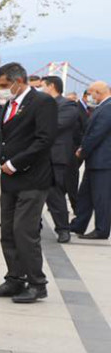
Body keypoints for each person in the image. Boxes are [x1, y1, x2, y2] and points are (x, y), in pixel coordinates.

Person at [0, 62, 57, 304]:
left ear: (18, 81)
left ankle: (37, 284)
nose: (1, 90)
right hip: (10, 181)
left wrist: (16, 163)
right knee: (8, 231)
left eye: (3, 85)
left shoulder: (42, 102)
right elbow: (1, 143)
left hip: (32, 179)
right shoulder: (8, 105)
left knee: (24, 231)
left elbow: (44, 140)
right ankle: (14, 279)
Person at [42, 75, 86, 243]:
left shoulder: (68, 106)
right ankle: (33, 226)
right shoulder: (40, 104)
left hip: (55, 157)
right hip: (36, 156)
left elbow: (56, 126)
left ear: (51, 86)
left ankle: (63, 229)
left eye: (43, 86)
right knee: (32, 194)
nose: (41, 90)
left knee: (55, 194)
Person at [71, 80, 111, 238]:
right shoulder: (103, 106)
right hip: (95, 160)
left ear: (98, 92)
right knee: (85, 195)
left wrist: (83, 150)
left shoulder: (108, 108)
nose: (90, 96)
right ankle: (78, 224)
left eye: (91, 93)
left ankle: (102, 229)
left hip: (103, 161)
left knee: (101, 197)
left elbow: (97, 134)